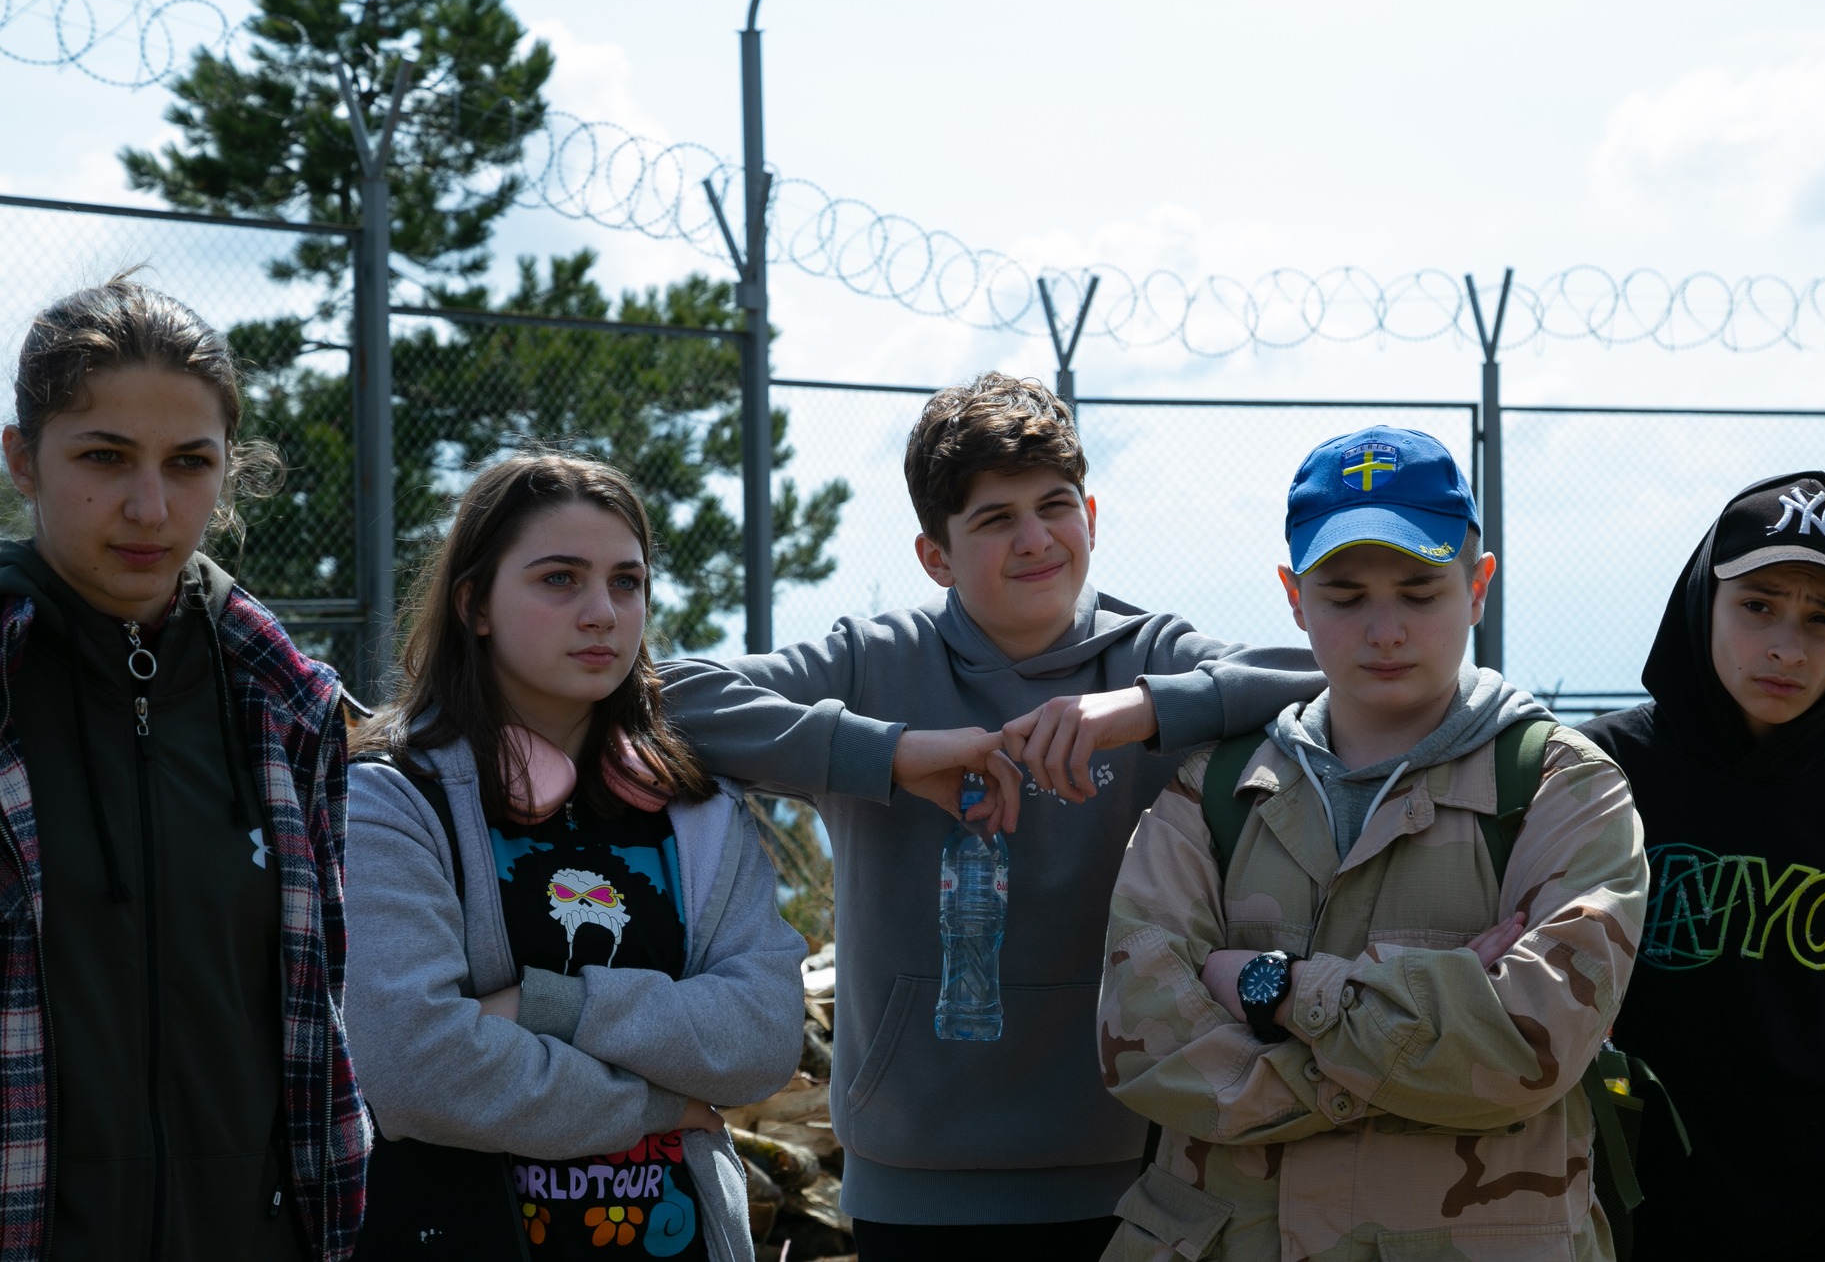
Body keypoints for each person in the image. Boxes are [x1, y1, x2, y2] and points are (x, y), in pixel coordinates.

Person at [658, 372, 1326, 1260]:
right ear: (936, 555)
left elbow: (1328, 672)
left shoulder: (1151, 655)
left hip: (1138, 1160)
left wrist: (1139, 711)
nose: (1036, 538)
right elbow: (667, 700)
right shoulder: (873, 662)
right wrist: (892, 754)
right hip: (917, 1176)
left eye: (1055, 506)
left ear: (1091, 514)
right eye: (995, 518)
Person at [1097, 425, 1647, 1261]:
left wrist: (1272, 988)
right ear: (1294, 597)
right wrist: (1425, 1023)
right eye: (1345, 596)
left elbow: (1527, 1045)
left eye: (1420, 591)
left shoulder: (1557, 787)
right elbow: (1141, 1040)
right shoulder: (1214, 791)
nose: (1384, 629)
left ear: (1478, 586)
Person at [346, 453, 805, 1261]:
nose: (602, 613)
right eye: (560, 579)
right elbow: (417, 1069)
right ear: (474, 605)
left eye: (627, 582)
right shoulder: (392, 800)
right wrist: (656, 1105)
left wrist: (548, 1003)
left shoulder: (701, 810)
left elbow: (761, 1039)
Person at [0, 275, 367, 1261]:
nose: (150, 506)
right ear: (23, 459)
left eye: (190, 463)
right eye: (105, 456)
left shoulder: (289, 708)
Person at [1579, 471, 1825, 1261]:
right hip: (1607, 1230)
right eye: (1758, 605)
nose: (1786, 648)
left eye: (1824, 619)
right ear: (1704, 598)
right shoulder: (1592, 778)